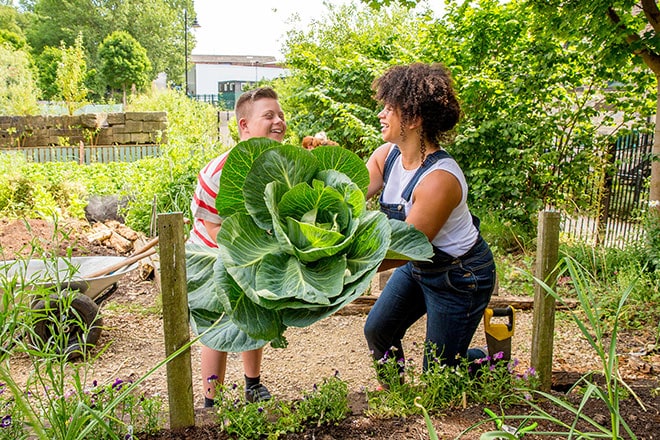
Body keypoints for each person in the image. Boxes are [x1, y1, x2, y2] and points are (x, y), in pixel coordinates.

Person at [363, 63, 496, 384]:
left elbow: (408, 248)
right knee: (378, 330)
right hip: (419, 267)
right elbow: (349, 196)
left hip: (460, 276)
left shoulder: (439, 180)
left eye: (389, 108)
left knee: (439, 373)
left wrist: (348, 268)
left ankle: (493, 362)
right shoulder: (386, 156)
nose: (381, 114)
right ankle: (396, 396)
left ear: (413, 117)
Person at [188, 87, 287, 406]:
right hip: (212, 257)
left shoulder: (279, 164)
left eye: (281, 115)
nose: (279, 122)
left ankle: (252, 384)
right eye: (269, 116)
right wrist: (248, 253)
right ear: (244, 126)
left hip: (255, 253)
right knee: (217, 327)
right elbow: (215, 228)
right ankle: (210, 400)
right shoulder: (219, 171)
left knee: (254, 316)